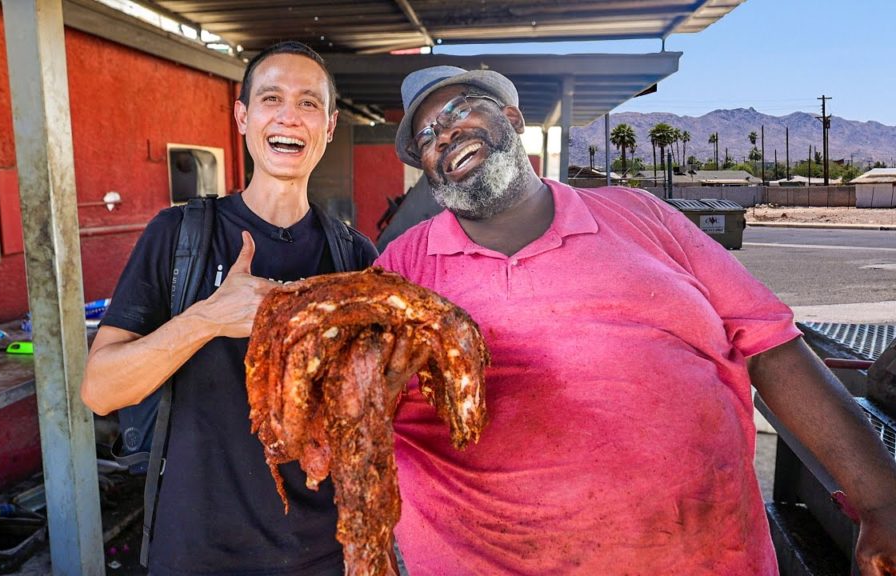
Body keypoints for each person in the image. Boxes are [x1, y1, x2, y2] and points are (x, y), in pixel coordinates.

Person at [376, 65, 896, 575]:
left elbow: (772, 346)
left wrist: (881, 500)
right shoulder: (401, 267)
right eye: (426, 137)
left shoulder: (643, 215)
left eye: (461, 110)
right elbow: (353, 403)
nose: (444, 135)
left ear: (512, 119)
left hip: (706, 555)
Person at [80, 42, 376, 575]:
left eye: (309, 103)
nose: (290, 115)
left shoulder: (353, 257)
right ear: (243, 116)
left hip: (323, 551)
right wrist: (207, 319)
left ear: (329, 127)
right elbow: (101, 390)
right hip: (197, 548)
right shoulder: (179, 236)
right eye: (271, 98)